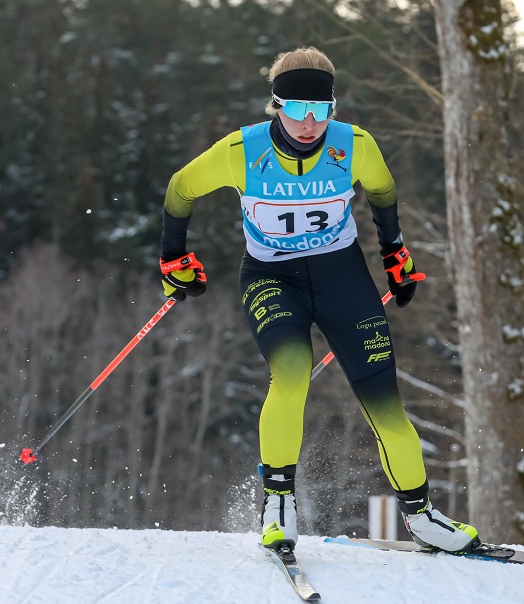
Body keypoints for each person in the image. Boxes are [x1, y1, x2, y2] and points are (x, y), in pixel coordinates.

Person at [157, 46, 480, 554]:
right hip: (271, 277)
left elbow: (383, 191)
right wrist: (173, 258)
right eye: (296, 109)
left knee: (383, 398)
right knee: (291, 373)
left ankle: (421, 516)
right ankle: (278, 504)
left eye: (321, 110)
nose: (309, 124)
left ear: (332, 107)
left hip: (341, 277)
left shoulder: (355, 145)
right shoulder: (242, 150)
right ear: (276, 105)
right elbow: (181, 188)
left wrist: (395, 253)